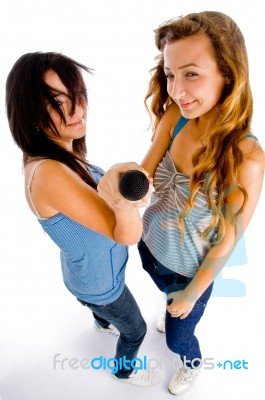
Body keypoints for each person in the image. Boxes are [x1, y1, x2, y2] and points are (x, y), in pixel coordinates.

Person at [5, 51, 160, 387]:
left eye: (78, 96)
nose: (78, 109)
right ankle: (124, 369)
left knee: (102, 311)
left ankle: (102, 322)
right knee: (136, 330)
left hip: (84, 273)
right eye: (59, 102)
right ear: (30, 112)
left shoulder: (57, 152)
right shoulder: (49, 173)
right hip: (100, 286)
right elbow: (126, 235)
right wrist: (128, 201)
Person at [137, 11, 265, 395]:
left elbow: (230, 234)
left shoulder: (247, 156)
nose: (177, 89)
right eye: (171, 74)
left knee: (177, 339)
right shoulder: (175, 116)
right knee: (165, 295)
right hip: (151, 247)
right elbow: (143, 176)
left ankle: (192, 361)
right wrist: (114, 188)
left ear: (228, 73)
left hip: (191, 272)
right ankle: (169, 303)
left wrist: (192, 292)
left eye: (191, 73)